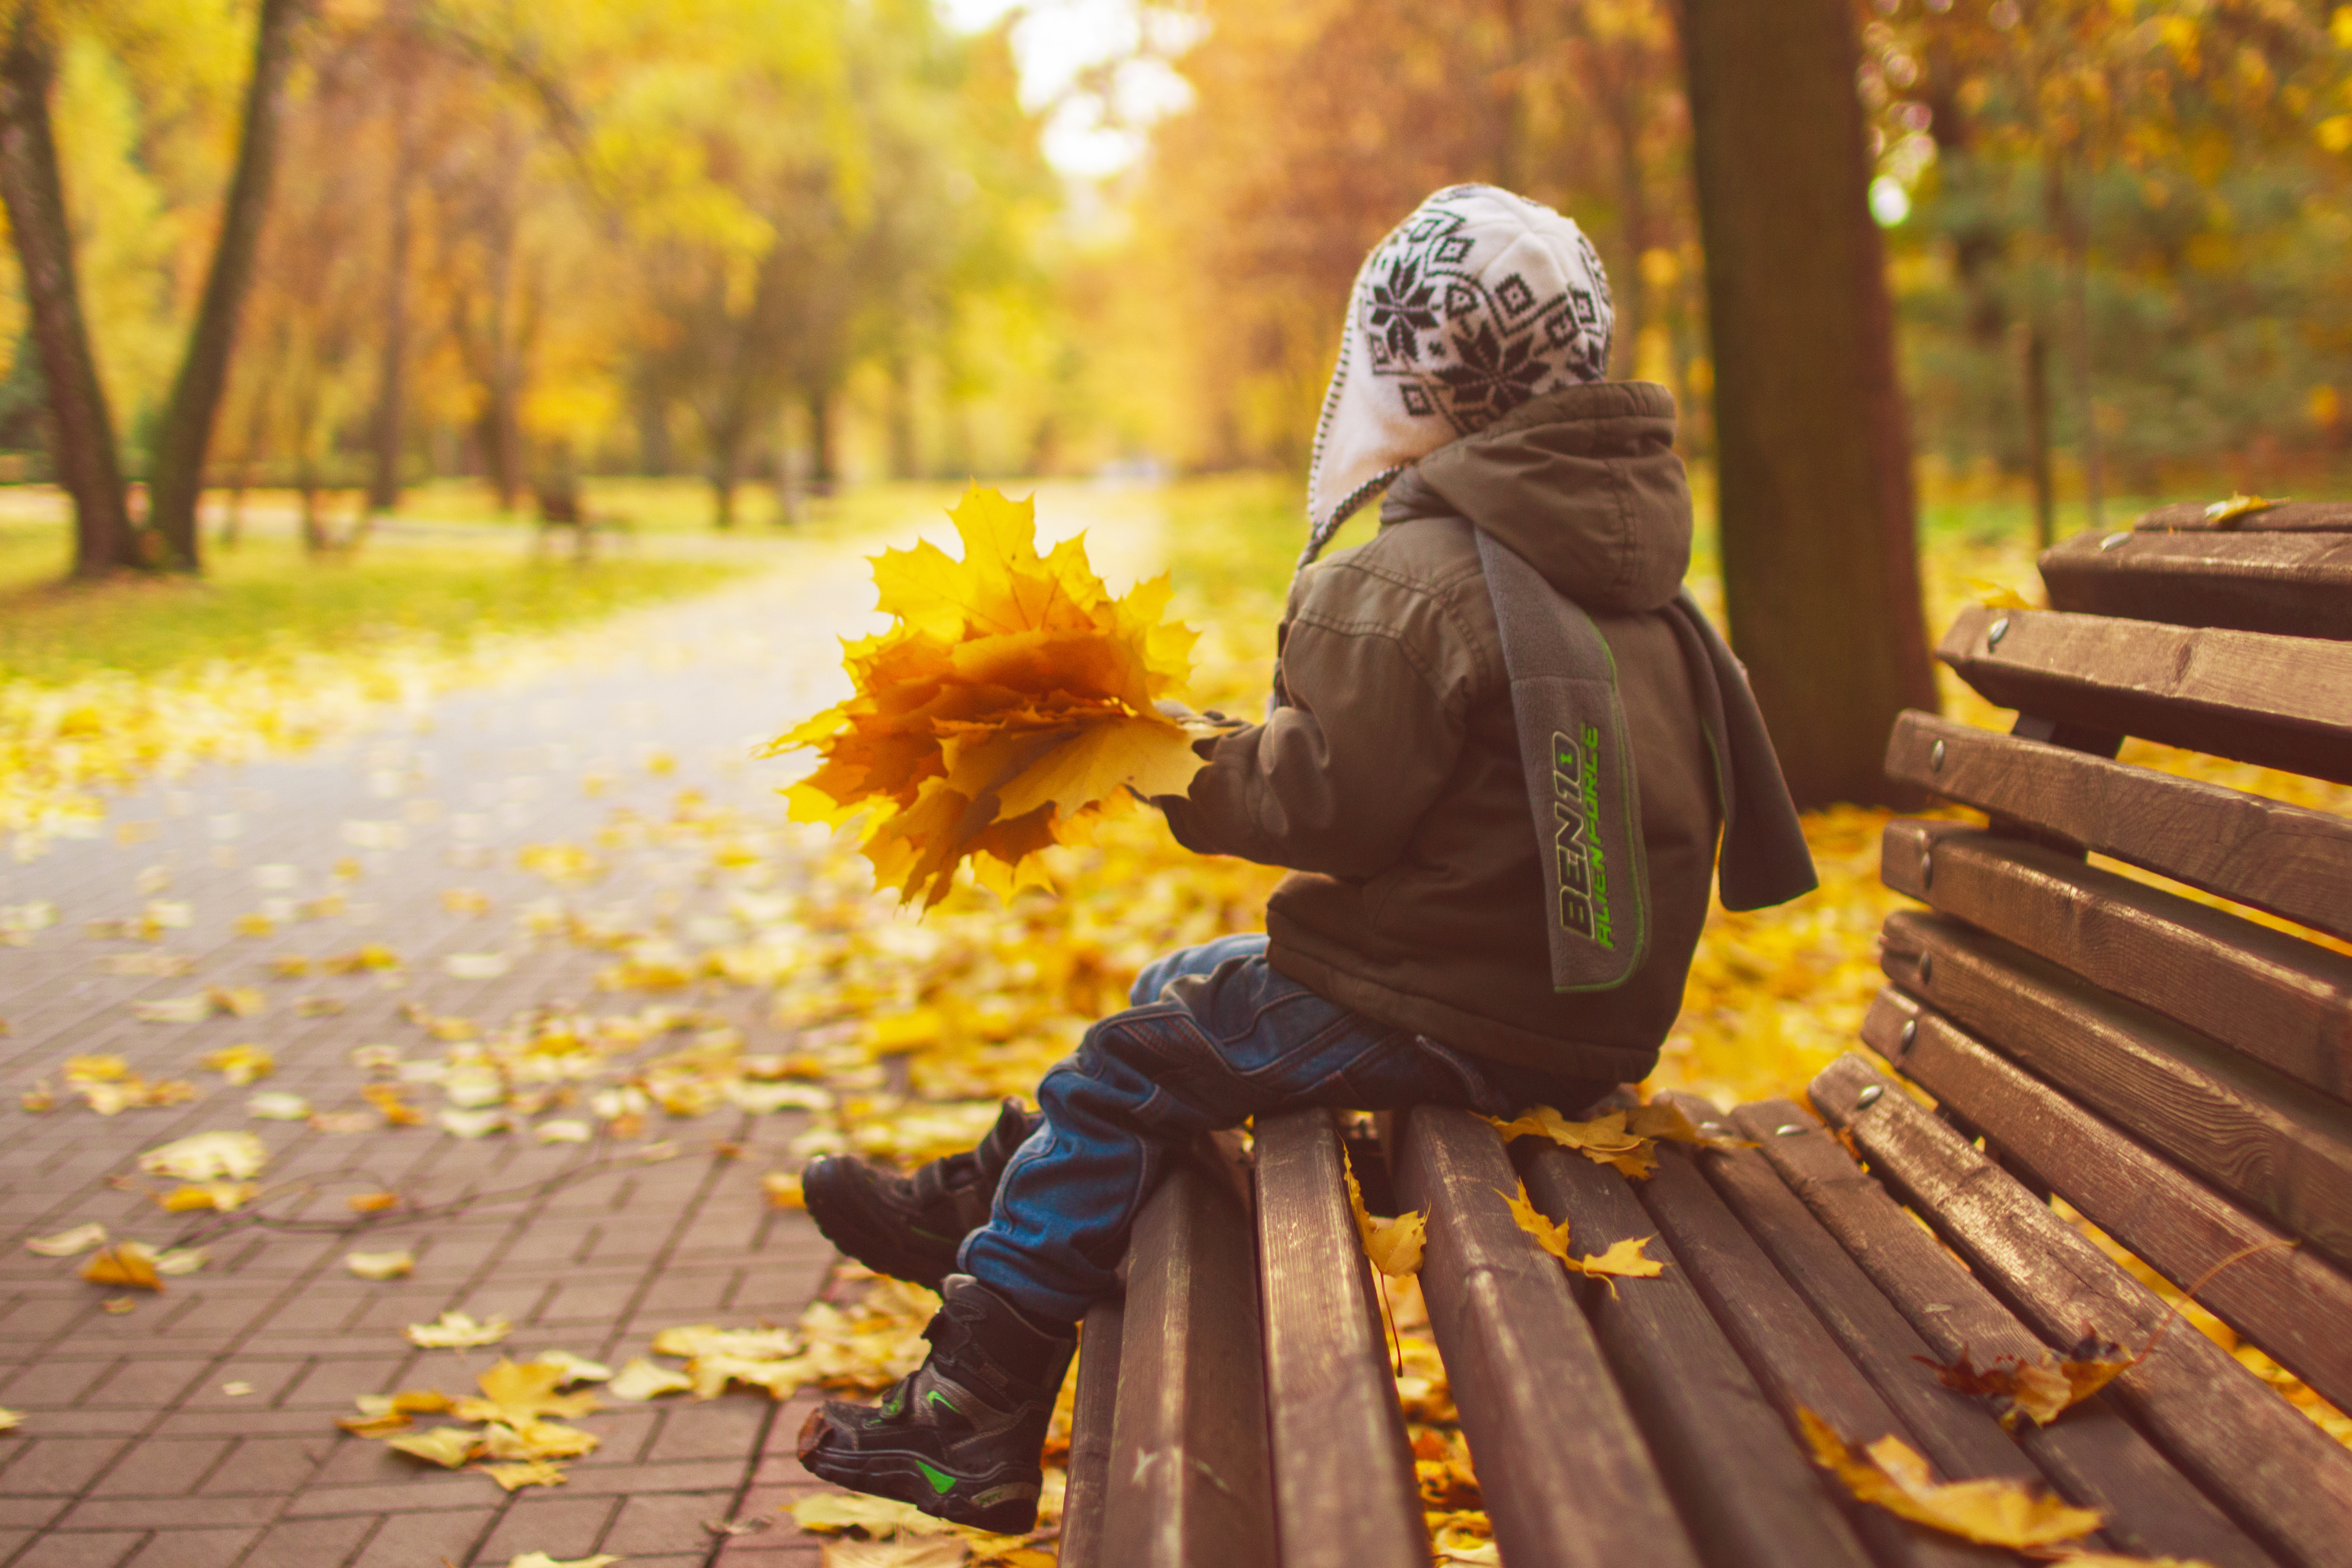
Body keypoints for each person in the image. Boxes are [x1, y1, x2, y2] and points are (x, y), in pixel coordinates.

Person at [794, 183, 1817, 1534]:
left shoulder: (1418, 574)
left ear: (1403, 371)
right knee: (1180, 985)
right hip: (1565, 1003)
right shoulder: (1626, 559)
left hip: (1449, 1005)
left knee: (1124, 1070)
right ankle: (983, 1208)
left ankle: (968, 1410)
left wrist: (1165, 759)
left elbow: (1331, 808)